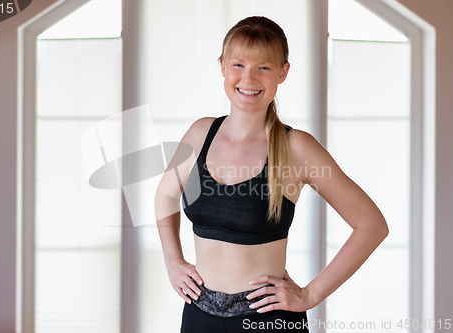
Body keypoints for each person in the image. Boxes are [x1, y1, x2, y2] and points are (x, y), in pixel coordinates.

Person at [155, 16, 388, 333]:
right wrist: (173, 261)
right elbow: (166, 195)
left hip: (267, 321)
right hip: (199, 314)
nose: (248, 78)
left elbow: (371, 225)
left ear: (283, 72)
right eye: (238, 64)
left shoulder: (297, 148)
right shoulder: (200, 133)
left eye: (263, 67)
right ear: (223, 66)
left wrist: (310, 294)